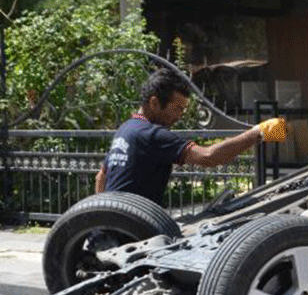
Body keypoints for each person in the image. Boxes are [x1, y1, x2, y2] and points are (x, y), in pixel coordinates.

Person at [96, 68, 287, 206]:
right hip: (130, 235)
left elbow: (101, 177)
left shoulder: (126, 130)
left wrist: (103, 218)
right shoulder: (151, 135)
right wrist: (258, 133)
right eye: (177, 108)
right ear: (154, 103)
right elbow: (208, 157)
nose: (179, 115)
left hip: (111, 228)